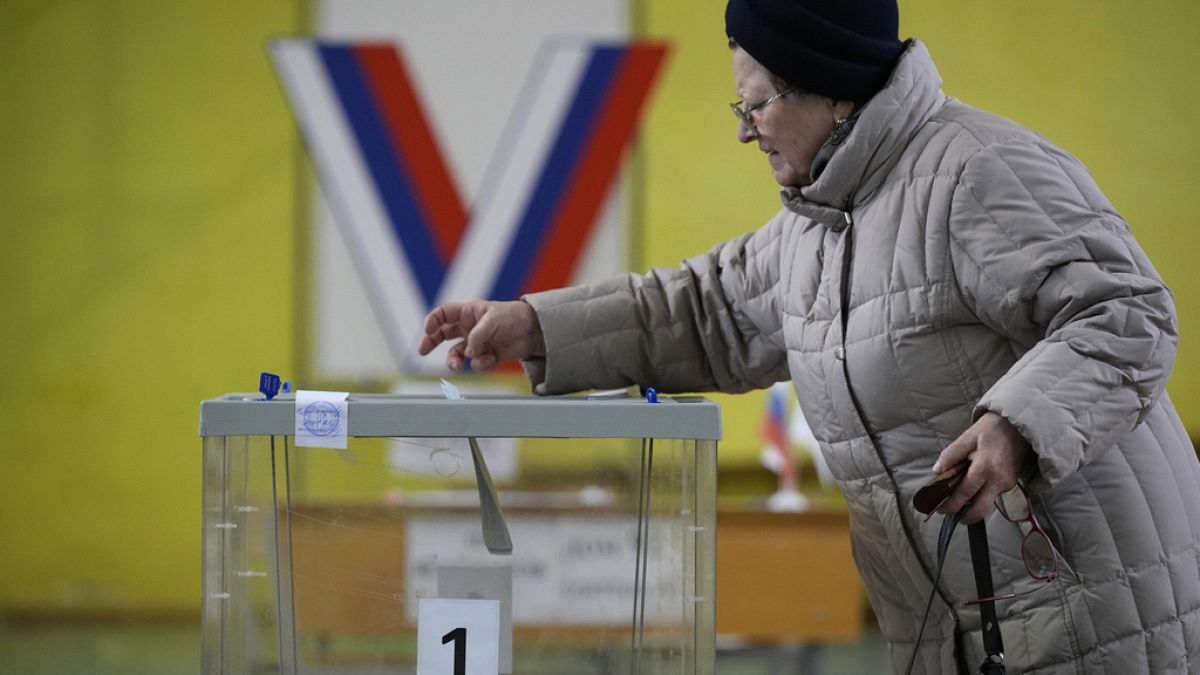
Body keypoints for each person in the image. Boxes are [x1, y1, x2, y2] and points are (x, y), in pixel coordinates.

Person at [419, 0, 1200, 671]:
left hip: (1104, 620)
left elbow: (1130, 312)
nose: (745, 132)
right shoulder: (821, 225)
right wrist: (532, 323)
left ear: (830, 94)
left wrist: (1016, 426)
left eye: (754, 106)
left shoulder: (979, 172)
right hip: (974, 633)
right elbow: (705, 310)